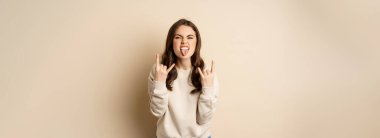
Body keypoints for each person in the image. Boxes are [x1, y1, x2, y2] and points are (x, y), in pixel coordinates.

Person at [148, 19, 219, 138]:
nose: (184, 42)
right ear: (171, 42)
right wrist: (159, 83)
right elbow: (157, 112)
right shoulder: (159, 70)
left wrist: (207, 89)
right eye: (178, 37)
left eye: (190, 37)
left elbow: (204, 119)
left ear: (197, 42)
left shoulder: (206, 73)